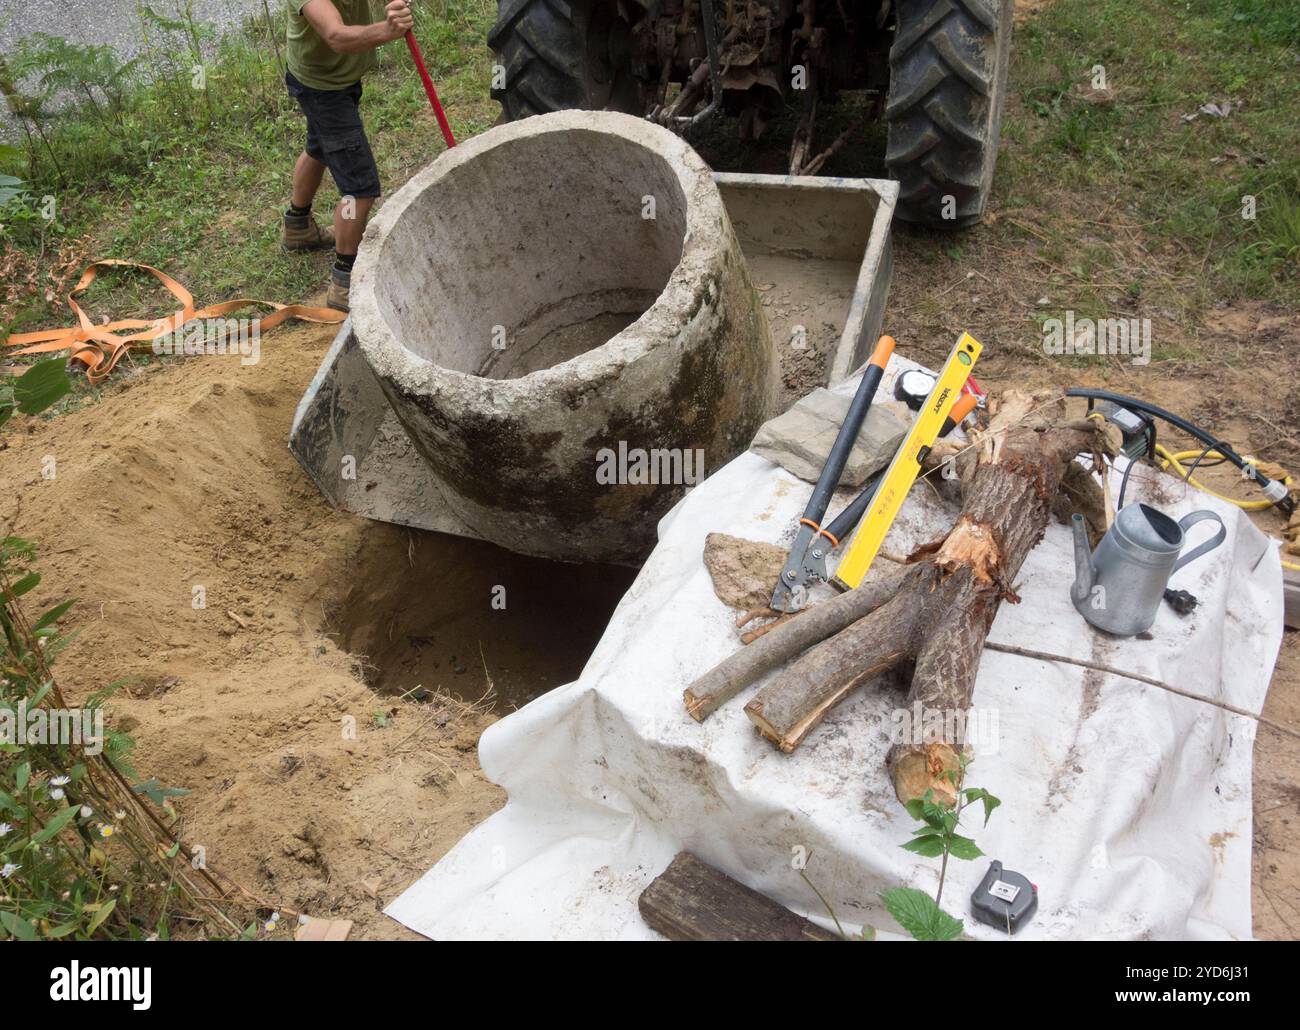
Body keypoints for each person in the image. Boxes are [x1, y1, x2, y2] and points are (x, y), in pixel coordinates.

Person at [280, 0, 414, 311]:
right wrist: (387, 29)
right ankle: (345, 281)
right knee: (359, 189)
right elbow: (337, 36)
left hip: (335, 81)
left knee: (318, 148)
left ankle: (298, 229)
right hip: (323, 91)